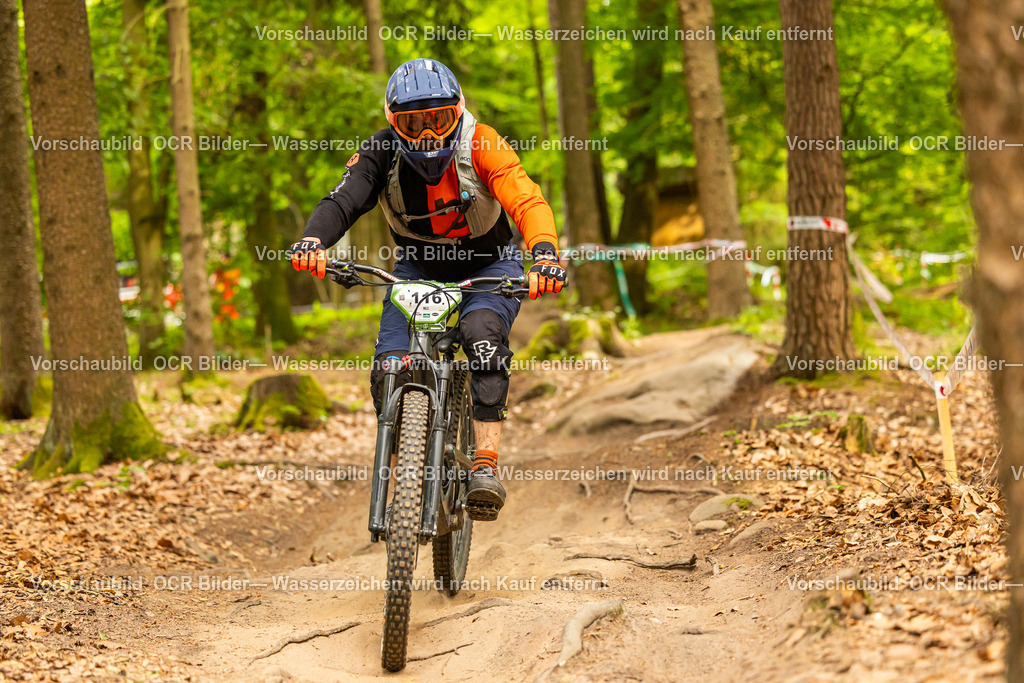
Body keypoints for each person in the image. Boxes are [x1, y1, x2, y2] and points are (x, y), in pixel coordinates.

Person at [290, 58, 566, 521]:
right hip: (417, 268)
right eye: (412, 123)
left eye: (437, 118)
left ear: (457, 111)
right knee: (389, 365)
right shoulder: (379, 152)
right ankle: (403, 478)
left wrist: (543, 255)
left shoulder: (482, 142)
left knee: (482, 338)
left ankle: (485, 465)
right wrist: (313, 241)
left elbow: (526, 198)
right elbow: (344, 198)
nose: (426, 134)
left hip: (490, 266)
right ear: (392, 122)